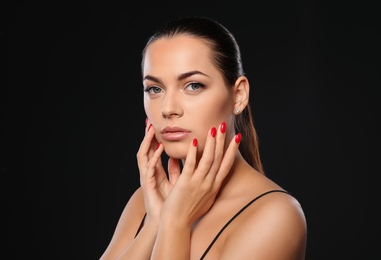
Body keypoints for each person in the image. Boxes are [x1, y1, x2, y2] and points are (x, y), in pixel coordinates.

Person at [100, 16, 307, 260]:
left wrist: (176, 220)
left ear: (238, 95)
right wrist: (155, 223)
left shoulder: (275, 216)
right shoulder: (146, 201)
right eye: (154, 89)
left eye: (193, 85)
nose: (168, 108)